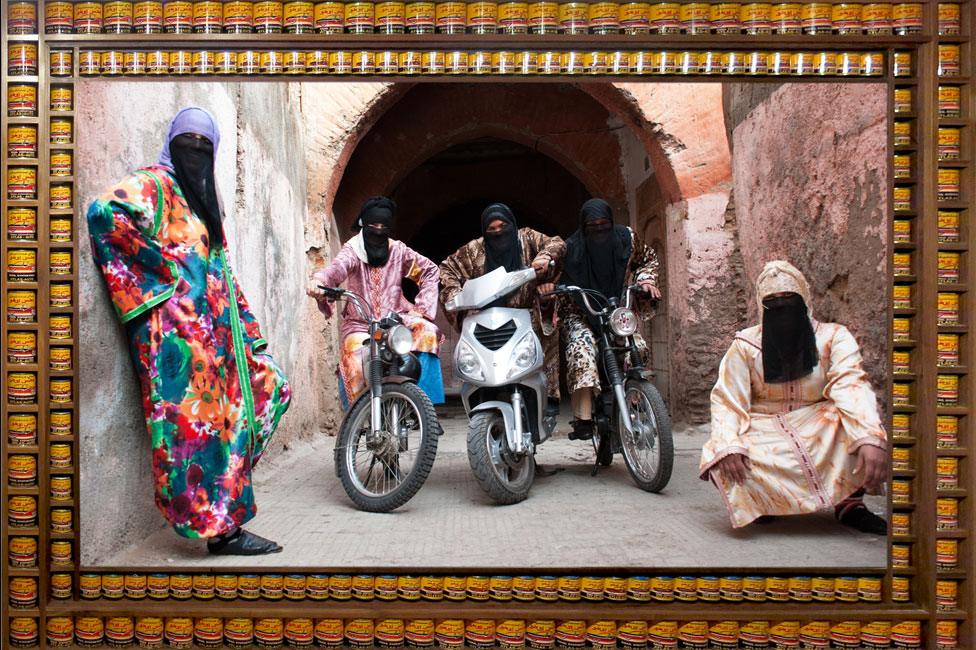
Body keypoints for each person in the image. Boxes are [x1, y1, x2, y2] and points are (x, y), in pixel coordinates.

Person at [87, 107, 291, 555]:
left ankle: (222, 512)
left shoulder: (203, 199)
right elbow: (104, 213)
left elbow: (221, 274)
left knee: (268, 390)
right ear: (171, 143)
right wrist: (163, 284)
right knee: (192, 431)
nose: (195, 151)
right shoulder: (155, 185)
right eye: (188, 142)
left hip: (218, 340)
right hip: (175, 342)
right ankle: (219, 531)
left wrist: (250, 333)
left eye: (205, 145)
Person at [700, 260, 888, 533]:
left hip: (819, 424)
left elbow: (851, 385)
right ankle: (764, 503)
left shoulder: (833, 337)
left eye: (788, 298)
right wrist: (730, 445)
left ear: (804, 298)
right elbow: (728, 401)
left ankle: (850, 504)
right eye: (772, 300)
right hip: (763, 425)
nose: (781, 306)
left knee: (848, 422)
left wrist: (869, 436)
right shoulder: (745, 346)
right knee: (721, 454)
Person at [308, 196, 444, 407]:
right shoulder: (353, 251)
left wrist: (422, 309)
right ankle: (355, 417)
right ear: (364, 225)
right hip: (360, 324)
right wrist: (320, 280)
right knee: (354, 360)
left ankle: (425, 406)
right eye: (373, 226)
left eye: (383, 226)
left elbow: (429, 271)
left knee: (428, 333)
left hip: (396, 320)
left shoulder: (398, 251)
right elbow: (336, 270)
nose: (378, 231)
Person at [439, 203, 565, 416]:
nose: (498, 232)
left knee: (546, 330)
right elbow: (447, 268)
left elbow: (557, 242)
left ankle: (548, 395)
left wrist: (544, 257)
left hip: (526, 313)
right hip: (487, 316)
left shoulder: (526, 238)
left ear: (512, 225)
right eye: (492, 229)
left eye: (502, 226)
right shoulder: (474, 250)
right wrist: (457, 295)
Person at [557, 198, 661, 440]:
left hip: (616, 310)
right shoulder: (571, 248)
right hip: (582, 312)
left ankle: (635, 396)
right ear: (584, 227)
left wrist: (646, 279)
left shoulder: (627, 238)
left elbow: (648, 259)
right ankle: (582, 417)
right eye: (593, 226)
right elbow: (556, 276)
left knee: (638, 346)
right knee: (580, 351)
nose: (599, 230)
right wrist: (557, 289)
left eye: (604, 224)